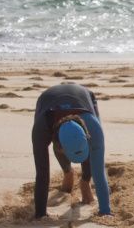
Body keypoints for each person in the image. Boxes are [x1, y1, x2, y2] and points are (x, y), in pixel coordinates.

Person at [32, 84, 111, 219]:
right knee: (43, 166)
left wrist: (105, 211)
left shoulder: (93, 127)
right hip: (47, 101)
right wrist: (40, 214)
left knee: (94, 152)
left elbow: (98, 170)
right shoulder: (41, 129)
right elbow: (42, 172)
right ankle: (68, 173)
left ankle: (85, 182)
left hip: (83, 98)